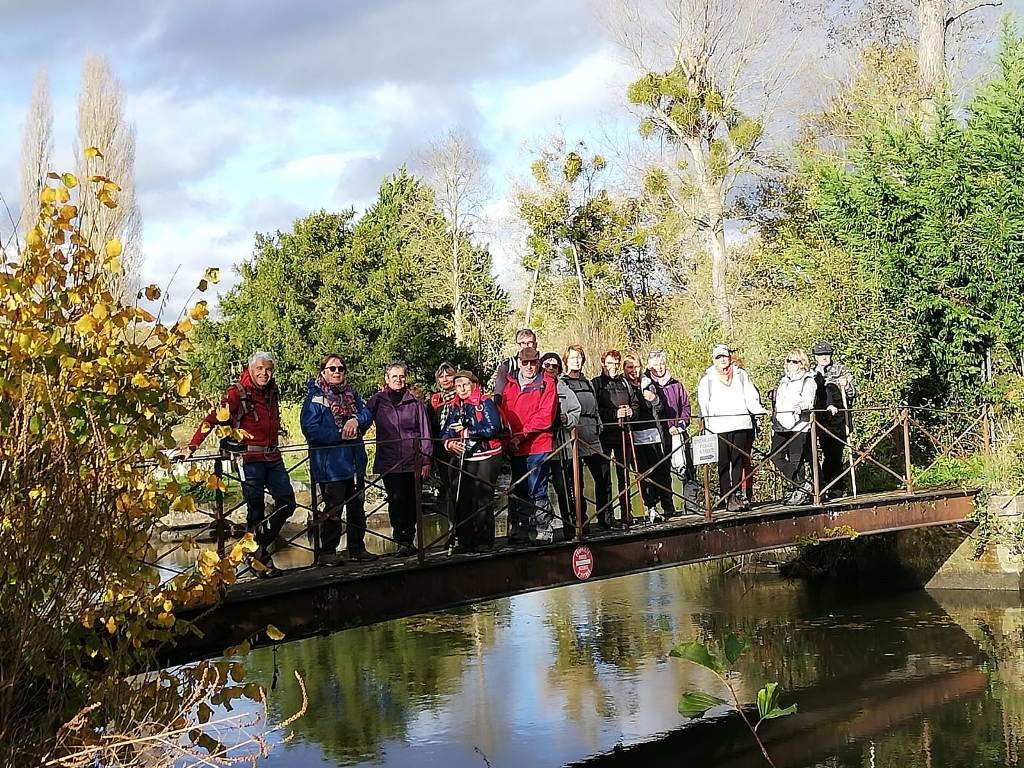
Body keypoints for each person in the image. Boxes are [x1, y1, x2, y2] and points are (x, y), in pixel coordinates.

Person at [184, 351, 295, 576]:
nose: (264, 373)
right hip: (249, 459)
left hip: (272, 457)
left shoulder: (272, 390)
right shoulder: (238, 393)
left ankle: (255, 549)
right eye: (260, 369)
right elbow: (212, 419)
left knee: (287, 502)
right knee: (256, 510)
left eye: (268, 369)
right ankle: (258, 559)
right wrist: (192, 446)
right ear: (251, 369)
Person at [300, 354, 377, 565]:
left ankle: (357, 548)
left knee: (357, 508)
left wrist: (355, 419)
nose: (337, 372)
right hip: (330, 465)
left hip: (354, 462)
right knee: (333, 509)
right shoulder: (315, 397)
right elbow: (311, 430)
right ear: (323, 372)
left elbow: (367, 415)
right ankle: (327, 553)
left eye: (340, 368)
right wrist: (340, 434)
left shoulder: (352, 394)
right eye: (332, 368)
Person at [366, 362, 433, 556]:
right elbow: (363, 418)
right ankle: (401, 540)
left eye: (402, 376)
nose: (398, 380)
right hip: (390, 460)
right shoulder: (377, 401)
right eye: (394, 376)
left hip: (412, 460)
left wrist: (427, 459)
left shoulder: (414, 402)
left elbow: (425, 431)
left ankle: (411, 539)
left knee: (412, 501)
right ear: (387, 379)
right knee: (396, 501)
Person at [498, 346, 559, 545]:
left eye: (533, 362)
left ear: (539, 363)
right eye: (525, 363)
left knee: (537, 488)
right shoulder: (509, 384)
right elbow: (503, 413)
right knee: (517, 487)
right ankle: (519, 529)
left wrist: (521, 435)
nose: (530, 367)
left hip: (538, 444)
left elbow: (545, 416)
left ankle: (543, 529)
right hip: (514, 446)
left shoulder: (547, 383)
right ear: (519, 362)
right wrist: (508, 440)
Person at [697, 345, 767, 513]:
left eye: (725, 357)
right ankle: (726, 497)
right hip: (718, 427)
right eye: (718, 357)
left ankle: (735, 495)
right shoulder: (707, 380)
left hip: (740, 423)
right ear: (714, 360)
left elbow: (751, 397)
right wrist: (707, 427)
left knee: (737, 462)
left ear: (729, 358)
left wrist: (760, 410)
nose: (722, 360)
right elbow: (704, 403)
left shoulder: (741, 375)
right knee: (723, 462)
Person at [439, 371, 504, 552]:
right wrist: (449, 443)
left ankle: (484, 540)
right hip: (465, 456)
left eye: (465, 385)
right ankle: (465, 540)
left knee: (482, 497)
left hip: (487, 454)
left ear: (474, 384)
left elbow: (493, 427)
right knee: (463, 498)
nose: (462, 389)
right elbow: (446, 430)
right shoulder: (455, 406)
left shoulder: (484, 402)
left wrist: (467, 432)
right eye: (458, 386)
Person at [560, 345, 612, 532]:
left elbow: (596, 408)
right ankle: (581, 522)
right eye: (573, 358)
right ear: (566, 361)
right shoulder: (562, 383)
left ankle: (606, 518)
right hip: (574, 437)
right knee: (577, 482)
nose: (577, 361)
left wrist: (599, 425)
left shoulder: (588, 383)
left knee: (604, 476)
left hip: (593, 435)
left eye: (579, 357)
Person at [625, 353, 677, 522]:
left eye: (637, 367)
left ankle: (668, 507)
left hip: (654, 434)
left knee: (661, 472)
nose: (634, 371)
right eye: (630, 367)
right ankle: (650, 507)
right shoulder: (624, 386)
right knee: (643, 473)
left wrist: (654, 399)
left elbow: (661, 407)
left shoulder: (649, 384)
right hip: (635, 436)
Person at [647, 350, 699, 515]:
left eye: (662, 364)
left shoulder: (676, 384)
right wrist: (668, 426)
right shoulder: (647, 386)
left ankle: (691, 506)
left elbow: (686, 406)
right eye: (655, 365)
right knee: (663, 473)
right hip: (660, 435)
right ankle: (668, 508)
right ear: (649, 367)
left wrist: (682, 423)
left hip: (680, 432)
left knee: (689, 469)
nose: (659, 368)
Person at [593, 349, 639, 528]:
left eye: (616, 363)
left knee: (624, 476)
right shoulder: (596, 384)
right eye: (610, 363)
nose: (613, 367)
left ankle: (627, 514)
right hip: (604, 435)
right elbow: (595, 410)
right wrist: (614, 413)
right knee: (603, 477)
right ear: (603, 363)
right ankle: (605, 518)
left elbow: (635, 404)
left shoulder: (625, 383)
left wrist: (631, 412)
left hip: (623, 435)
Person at [539, 352, 582, 541]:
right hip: (538, 446)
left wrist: (567, 419)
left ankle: (571, 527)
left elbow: (576, 410)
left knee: (565, 488)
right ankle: (540, 531)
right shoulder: (534, 386)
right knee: (536, 489)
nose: (550, 368)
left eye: (554, 366)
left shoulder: (563, 388)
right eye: (546, 365)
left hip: (560, 446)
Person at [770, 349, 818, 506]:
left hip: (799, 424)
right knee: (776, 456)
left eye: (795, 361)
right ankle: (802, 486)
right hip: (781, 424)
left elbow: (809, 401)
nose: (790, 364)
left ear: (802, 364)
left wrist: (800, 406)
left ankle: (799, 490)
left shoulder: (808, 380)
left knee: (795, 460)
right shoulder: (784, 380)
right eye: (788, 360)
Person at [811, 341, 858, 498]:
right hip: (819, 421)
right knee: (823, 453)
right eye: (820, 355)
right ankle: (823, 486)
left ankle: (835, 487)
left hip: (838, 421)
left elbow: (854, 392)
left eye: (827, 354)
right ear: (815, 356)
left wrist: (847, 385)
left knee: (835, 454)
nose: (824, 357)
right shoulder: (811, 373)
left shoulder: (841, 369)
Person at [428, 361, 459, 524]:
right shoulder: (434, 400)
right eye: (442, 376)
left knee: (460, 489)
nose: (446, 379)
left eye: (449, 375)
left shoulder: (461, 395)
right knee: (449, 489)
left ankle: (464, 529)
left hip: (460, 449)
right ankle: (453, 528)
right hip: (441, 451)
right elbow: (429, 427)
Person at [490, 328, 538, 405]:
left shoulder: (542, 365)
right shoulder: (507, 366)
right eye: (522, 343)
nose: (526, 346)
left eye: (529, 343)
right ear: (517, 346)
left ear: (535, 345)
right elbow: (498, 392)